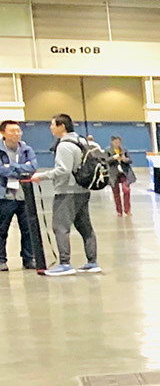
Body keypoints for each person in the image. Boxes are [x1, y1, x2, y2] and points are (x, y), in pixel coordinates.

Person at [43, 114, 100, 276]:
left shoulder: (64, 146)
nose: (51, 128)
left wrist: (42, 176)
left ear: (62, 126)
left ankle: (64, 263)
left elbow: (63, 170)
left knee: (60, 227)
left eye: (52, 124)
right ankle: (92, 261)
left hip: (67, 191)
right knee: (85, 227)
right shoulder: (82, 141)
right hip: (83, 190)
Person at [0, 119, 41, 270]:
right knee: (2, 229)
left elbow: (33, 167)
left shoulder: (26, 149)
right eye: (12, 131)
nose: (16, 134)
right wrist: (21, 170)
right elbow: (1, 170)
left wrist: (12, 167)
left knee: (28, 228)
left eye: (18, 131)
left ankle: (29, 258)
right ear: (3, 133)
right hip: (5, 196)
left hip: (24, 195)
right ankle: (1, 260)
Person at [107, 136, 135, 216]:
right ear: (112, 142)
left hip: (124, 173)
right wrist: (114, 158)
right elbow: (106, 160)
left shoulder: (124, 150)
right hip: (114, 173)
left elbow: (130, 160)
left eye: (118, 142)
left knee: (126, 190)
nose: (117, 144)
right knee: (116, 193)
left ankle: (127, 209)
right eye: (115, 142)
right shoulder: (108, 150)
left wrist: (125, 159)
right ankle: (119, 211)